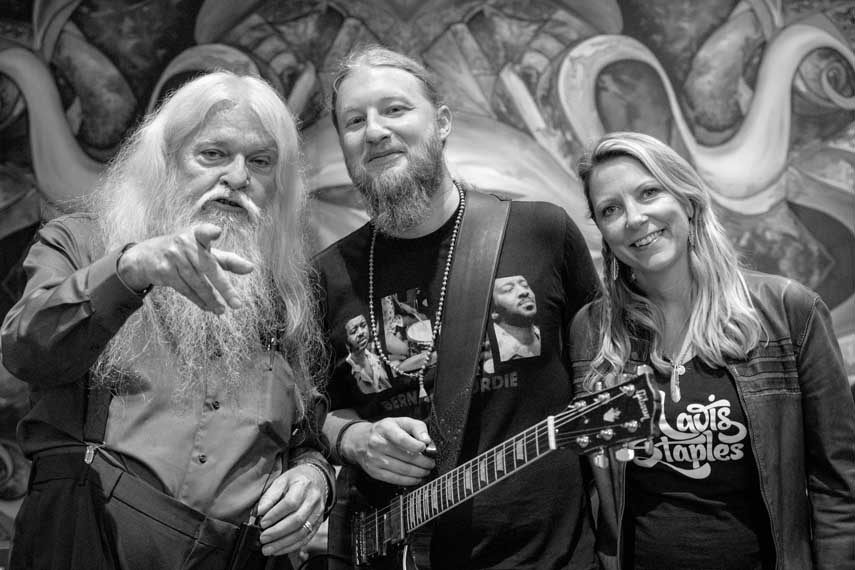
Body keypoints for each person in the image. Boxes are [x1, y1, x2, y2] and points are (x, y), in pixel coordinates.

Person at [1, 71, 336, 570]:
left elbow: (305, 438)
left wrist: (315, 478)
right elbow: (26, 350)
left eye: (260, 161)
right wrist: (131, 269)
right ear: (165, 163)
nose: (238, 177)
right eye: (213, 154)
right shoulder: (81, 241)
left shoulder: (286, 295)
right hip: (89, 539)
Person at [314, 45, 601, 569]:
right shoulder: (327, 275)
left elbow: (602, 374)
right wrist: (354, 439)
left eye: (395, 109)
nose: (375, 130)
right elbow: (307, 414)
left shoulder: (541, 232)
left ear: (442, 122)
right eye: (354, 120)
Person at [570, 131, 855, 570]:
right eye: (610, 209)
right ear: (603, 231)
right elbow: (591, 487)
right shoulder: (593, 332)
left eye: (649, 192)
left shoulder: (788, 312)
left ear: (686, 198)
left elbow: (837, 484)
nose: (634, 218)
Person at [343, 314, 391, 394]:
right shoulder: (346, 371)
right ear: (346, 341)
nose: (361, 333)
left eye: (363, 325)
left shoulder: (376, 359)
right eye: (353, 331)